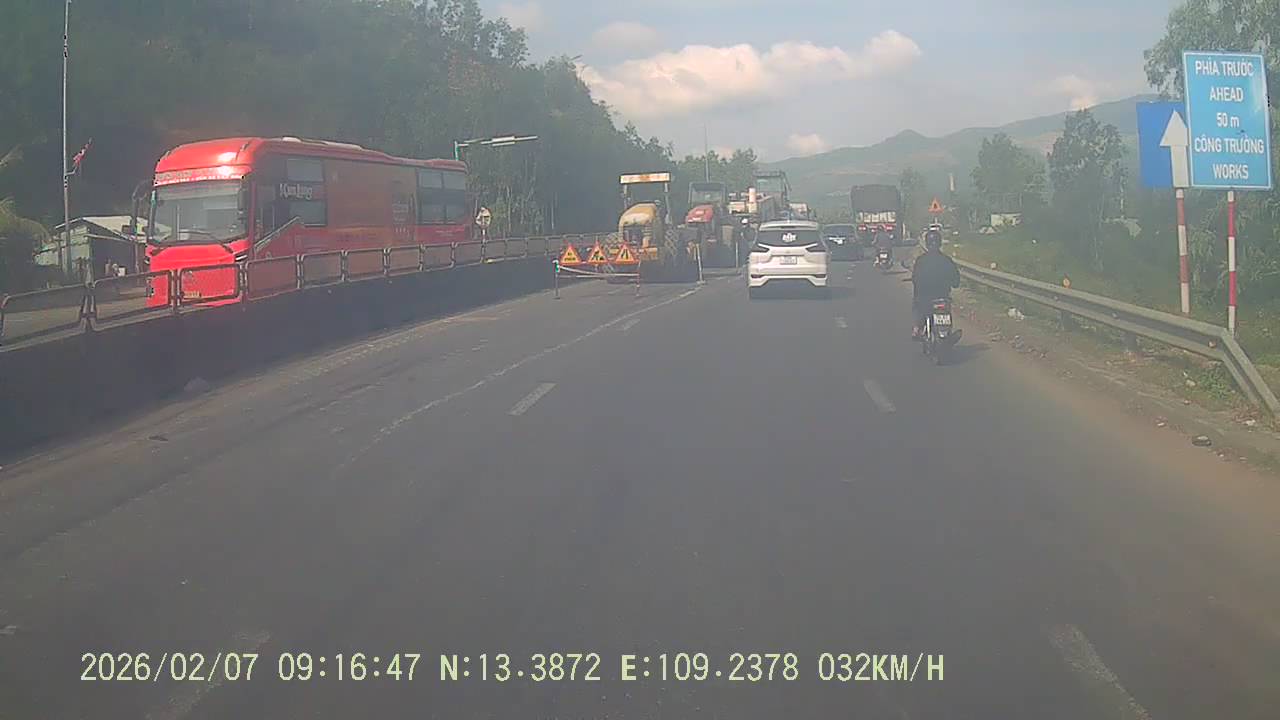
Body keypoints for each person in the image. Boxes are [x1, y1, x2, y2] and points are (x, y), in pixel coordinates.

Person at [911, 229, 961, 339]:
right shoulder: (947, 260)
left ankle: (917, 329)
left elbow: (915, 278)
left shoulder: (921, 260)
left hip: (925, 297)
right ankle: (947, 332)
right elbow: (956, 280)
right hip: (943, 297)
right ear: (940, 243)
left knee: (917, 306)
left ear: (927, 243)